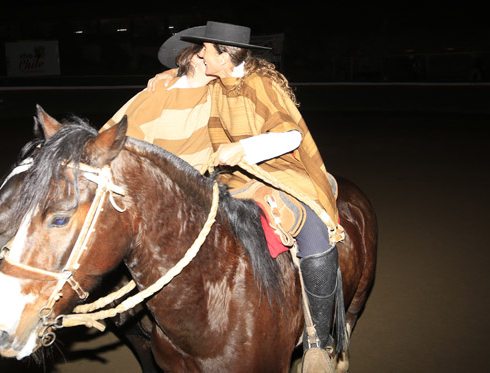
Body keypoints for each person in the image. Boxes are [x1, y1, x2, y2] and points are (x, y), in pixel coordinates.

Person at [151, 21, 347, 372]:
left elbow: (291, 136)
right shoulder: (219, 81)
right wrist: (164, 79)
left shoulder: (261, 83)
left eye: (205, 50)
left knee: (313, 227)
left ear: (225, 55)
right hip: (231, 175)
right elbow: (185, 79)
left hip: (280, 170)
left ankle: (320, 342)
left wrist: (243, 148)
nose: (199, 55)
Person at [100, 26, 216, 171]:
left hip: (197, 187)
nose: (222, 59)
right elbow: (113, 142)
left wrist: (174, 71)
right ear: (193, 57)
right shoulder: (161, 91)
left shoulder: (219, 92)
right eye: (208, 52)